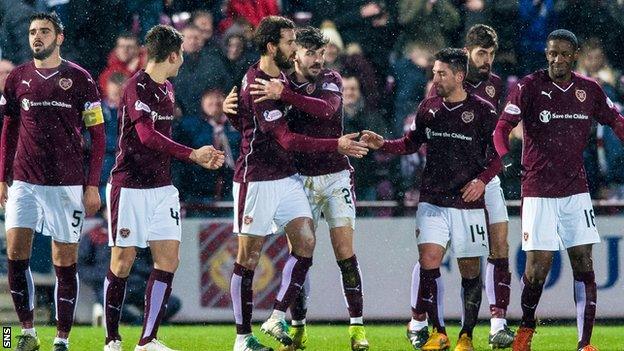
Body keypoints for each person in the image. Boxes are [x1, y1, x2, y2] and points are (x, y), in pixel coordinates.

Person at [225, 16, 368, 351]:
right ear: (281, 48)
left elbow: (329, 109)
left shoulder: (315, 80)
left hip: (310, 177)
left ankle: (284, 318)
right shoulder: (260, 81)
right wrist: (233, 112)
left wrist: (285, 94)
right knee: (248, 258)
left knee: (311, 247)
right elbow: (282, 137)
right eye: (299, 47)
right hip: (262, 176)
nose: (317, 59)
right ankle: (244, 336)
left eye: (322, 52)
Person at [361, 48, 501, 351]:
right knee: (429, 263)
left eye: (441, 73)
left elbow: (498, 157)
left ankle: (466, 336)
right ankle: (439, 332)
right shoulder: (429, 108)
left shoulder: (483, 111)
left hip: (468, 202)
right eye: (434, 72)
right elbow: (411, 144)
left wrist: (481, 181)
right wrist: (383, 143)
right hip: (433, 200)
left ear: (459, 76)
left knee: (470, 271)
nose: (435, 78)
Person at [493, 29, 624, 351]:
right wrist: (504, 159)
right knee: (537, 272)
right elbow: (502, 127)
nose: (557, 59)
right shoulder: (529, 86)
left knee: (585, 264)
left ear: (574, 55)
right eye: (552, 53)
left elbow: (616, 120)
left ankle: (585, 343)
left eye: (564, 54)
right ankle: (525, 327)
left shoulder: (589, 90)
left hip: (576, 190)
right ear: (546, 53)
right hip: (538, 191)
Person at [102, 24, 225, 351]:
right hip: (129, 186)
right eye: (181, 53)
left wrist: (201, 154)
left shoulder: (168, 90)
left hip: (162, 188)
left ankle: (148, 339)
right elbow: (146, 137)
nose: (183, 59)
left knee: (168, 259)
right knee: (122, 262)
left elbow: (165, 140)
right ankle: (112, 338)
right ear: (172, 54)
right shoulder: (135, 86)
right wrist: (191, 154)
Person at [0, 12, 105, 351]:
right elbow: (8, 131)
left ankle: (62, 338)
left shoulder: (80, 79)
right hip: (24, 183)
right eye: (33, 32)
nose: (37, 37)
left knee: (64, 260)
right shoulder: (17, 78)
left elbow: (99, 137)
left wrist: (91, 185)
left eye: (44, 31)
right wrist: (2, 178)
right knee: (16, 253)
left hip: (66, 184)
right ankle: (27, 333)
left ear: (59, 37)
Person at [426, 24, 514, 350]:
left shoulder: (495, 85)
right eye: (481, 54)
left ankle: (497, 324)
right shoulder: (443, 83)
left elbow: (495, 133)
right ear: (467, 53)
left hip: (486, 177)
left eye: (491, 54)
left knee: (500, 245)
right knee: (437, 251)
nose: (487, 60)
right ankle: (420, 320)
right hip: (452, 182)